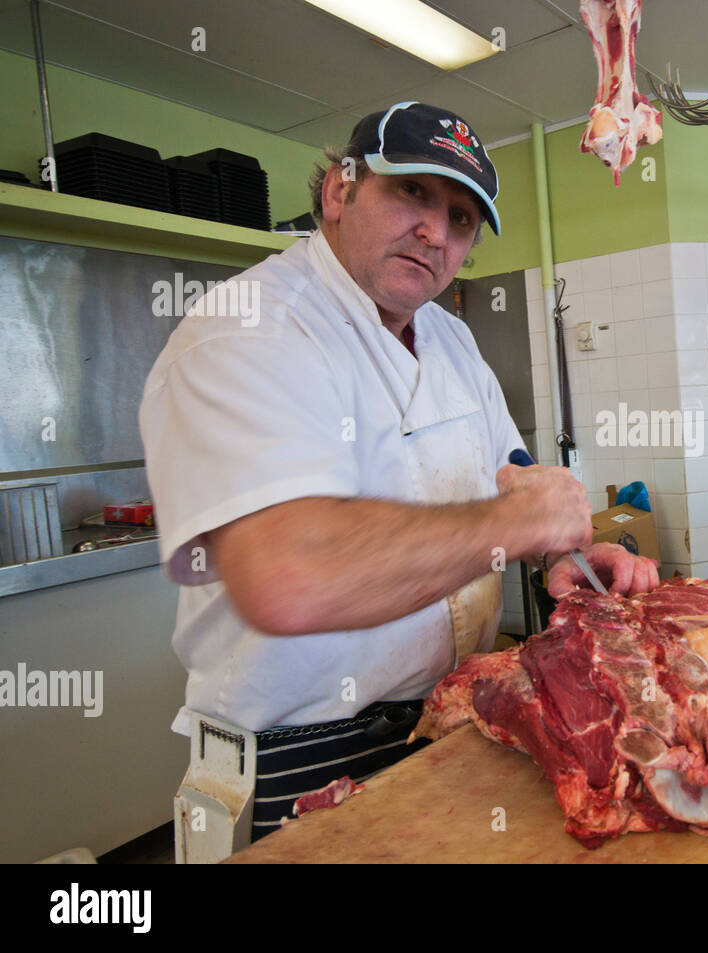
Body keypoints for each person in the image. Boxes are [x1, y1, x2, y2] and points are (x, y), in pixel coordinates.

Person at [139, 102, 659, 849]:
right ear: (339, 191)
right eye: (412, 192)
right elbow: (289, 571)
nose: (436, 232)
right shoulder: (249, 328)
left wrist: (562, 554)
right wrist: (520, 525)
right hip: (299, 750)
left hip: (453, 715)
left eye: (461, 217)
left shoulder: (450, 336)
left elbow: (509, 476)